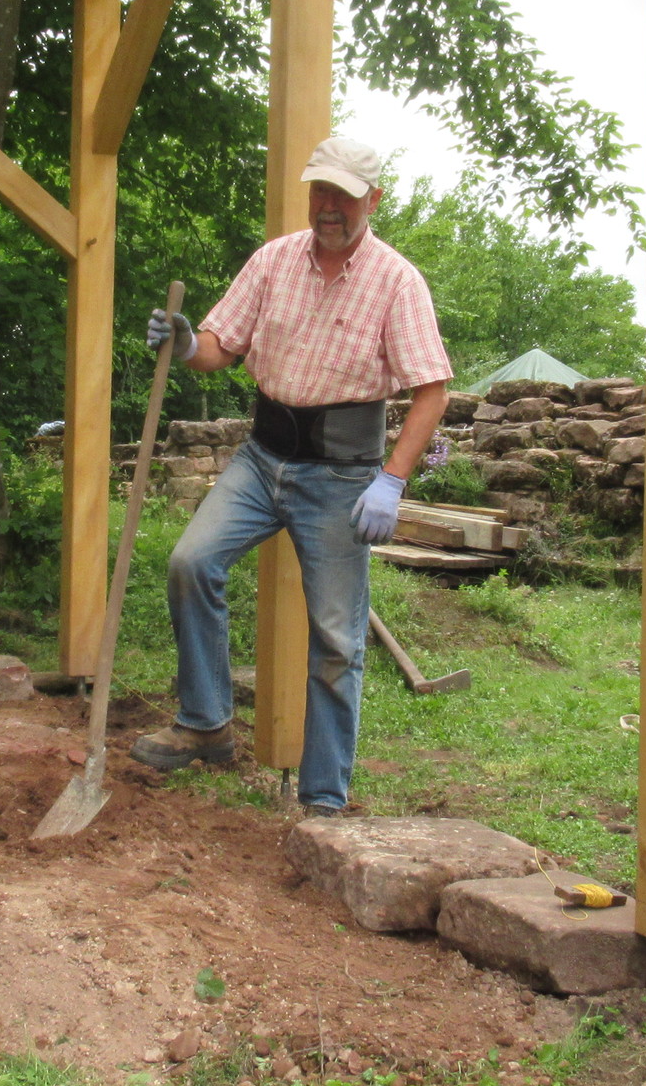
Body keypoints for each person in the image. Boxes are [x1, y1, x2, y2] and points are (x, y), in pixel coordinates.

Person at [131, 136, 453, 815]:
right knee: (191, 562)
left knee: (336, 638)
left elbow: (432, 390)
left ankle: (325, 799)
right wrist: (187, 344)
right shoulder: (274, 260)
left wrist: (392, 480)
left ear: (373, 200)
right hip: (262, 457)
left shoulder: (397, 281)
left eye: (344, 195)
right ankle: (206, 722)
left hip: (342, 475)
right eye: (320, 191)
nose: (329, 206)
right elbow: (221, 346)